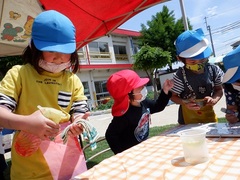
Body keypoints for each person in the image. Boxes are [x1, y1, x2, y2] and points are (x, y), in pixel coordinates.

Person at [0, 10, 90, 179]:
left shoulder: (72, 80)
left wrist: (78, 123)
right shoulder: (19, 74)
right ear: (34, 47)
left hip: (67, 161)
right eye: (50, 51)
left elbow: (79, 110)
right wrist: (27, 123)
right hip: (29, 169)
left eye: (65, 51)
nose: (59, 57)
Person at [105, 70, 173, 154]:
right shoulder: (124, 115)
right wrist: (121, 154)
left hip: (143, 148)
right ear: (128, 93)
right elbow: (110, 135)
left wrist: (165, 90)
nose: (143, 87)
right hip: (132, 153)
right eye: (140, 86)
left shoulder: (143, 102)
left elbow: (157, 106)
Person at [171, 28, 224, 124]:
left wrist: (214, 99)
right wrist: (185, 102)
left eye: (202, 60)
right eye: (193, 61)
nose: (199, 63)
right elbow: (173, 96)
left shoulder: (214, 70)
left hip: (208, 114)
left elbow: (219, 90)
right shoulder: (179, 76)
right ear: (180, 59)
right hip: (187, 118)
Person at [222, 45, 240, 123]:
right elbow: (231, 108)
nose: (237, 84)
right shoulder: (229, 86)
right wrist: (231, 117)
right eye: (235, 81)